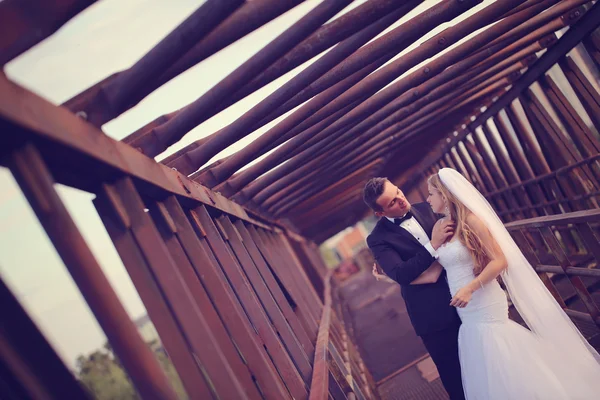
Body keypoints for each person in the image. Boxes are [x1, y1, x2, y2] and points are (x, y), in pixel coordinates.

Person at [426, 167, 600, 399]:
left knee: (501, 349)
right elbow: (435, 269)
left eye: (431, 194)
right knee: (488, 360)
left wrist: (470, 288)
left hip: (482, 298)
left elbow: (499, 260)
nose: (427, 199)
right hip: (467, 311)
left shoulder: (472, 221)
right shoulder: (442, 227)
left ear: (444, 195)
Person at [363, 177, 465, 400]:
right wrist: (434, 244)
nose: (401, 200)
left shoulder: (428, 207)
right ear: (380, 214)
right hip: (433, 316)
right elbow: (401, 273)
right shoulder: (377, 239)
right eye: (392, 203)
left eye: (398, 191)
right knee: (455, 378)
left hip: (468, 297)